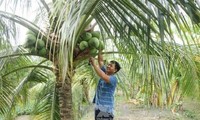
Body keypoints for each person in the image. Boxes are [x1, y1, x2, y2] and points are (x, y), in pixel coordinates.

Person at [89, 50, 121, 120]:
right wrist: (99, 49)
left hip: (106, 109)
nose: (108, 66)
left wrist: (94, 64)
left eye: (111, 66)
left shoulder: (113, 79)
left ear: (115, 70)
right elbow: (100, 61)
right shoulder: (105, 71)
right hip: (99, 107)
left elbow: (102, 76)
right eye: (108, 64)